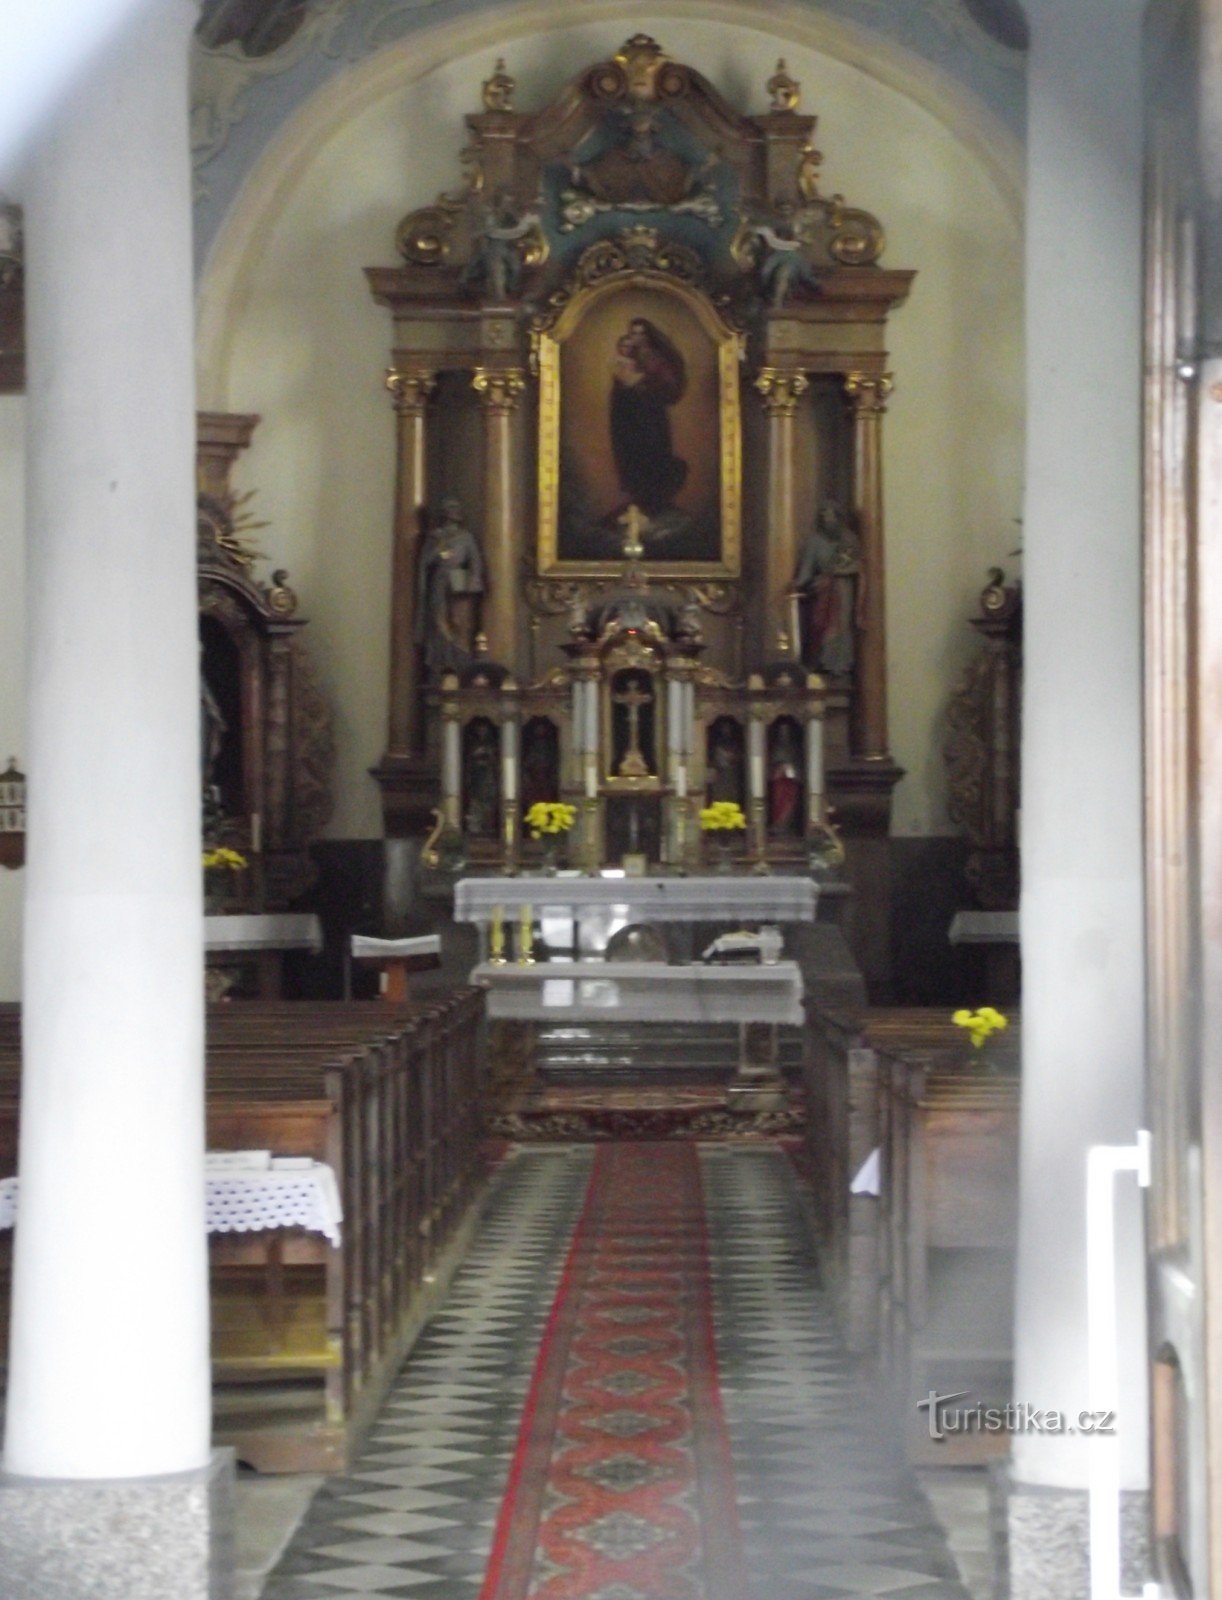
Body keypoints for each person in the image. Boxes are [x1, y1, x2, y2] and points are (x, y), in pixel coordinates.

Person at [609, 317, 688, 517]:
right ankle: (639, 501)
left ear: (648, 335)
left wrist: (644, 386)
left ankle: (655, 501)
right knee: (633, 457)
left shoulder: (657, 358)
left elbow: (668, 386)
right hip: (630, 417)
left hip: (652, 415)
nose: (636, 338)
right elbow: (621, 386)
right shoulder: (628, 356)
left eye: (641, 333)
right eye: (633, 333)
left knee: (654, 455)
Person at [415, 498, 486, 676]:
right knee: (439, 620)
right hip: (440, 581)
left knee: (459, 623)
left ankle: (459, 660)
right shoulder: (436, 536)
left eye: (456, 509)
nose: (454, 512)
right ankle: (441, 660)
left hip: (460, 585)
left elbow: (475, 562)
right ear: (444, 513)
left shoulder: (466, 537)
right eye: (451, 508)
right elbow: (425, 562)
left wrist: (472, 582)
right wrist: (437, 552)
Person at [793, 499, 864, 676]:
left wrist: (841, 571)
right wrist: (796, 584)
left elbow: (857, 564)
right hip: (823, 589)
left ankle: (840, 666)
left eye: (831, 516)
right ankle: (821, 663)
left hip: (843, 588)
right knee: (821, 626)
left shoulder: (849, 539)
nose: (828, 520)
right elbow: (806, 571)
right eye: (824, 517)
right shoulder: (815, 542)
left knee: (841, 626)